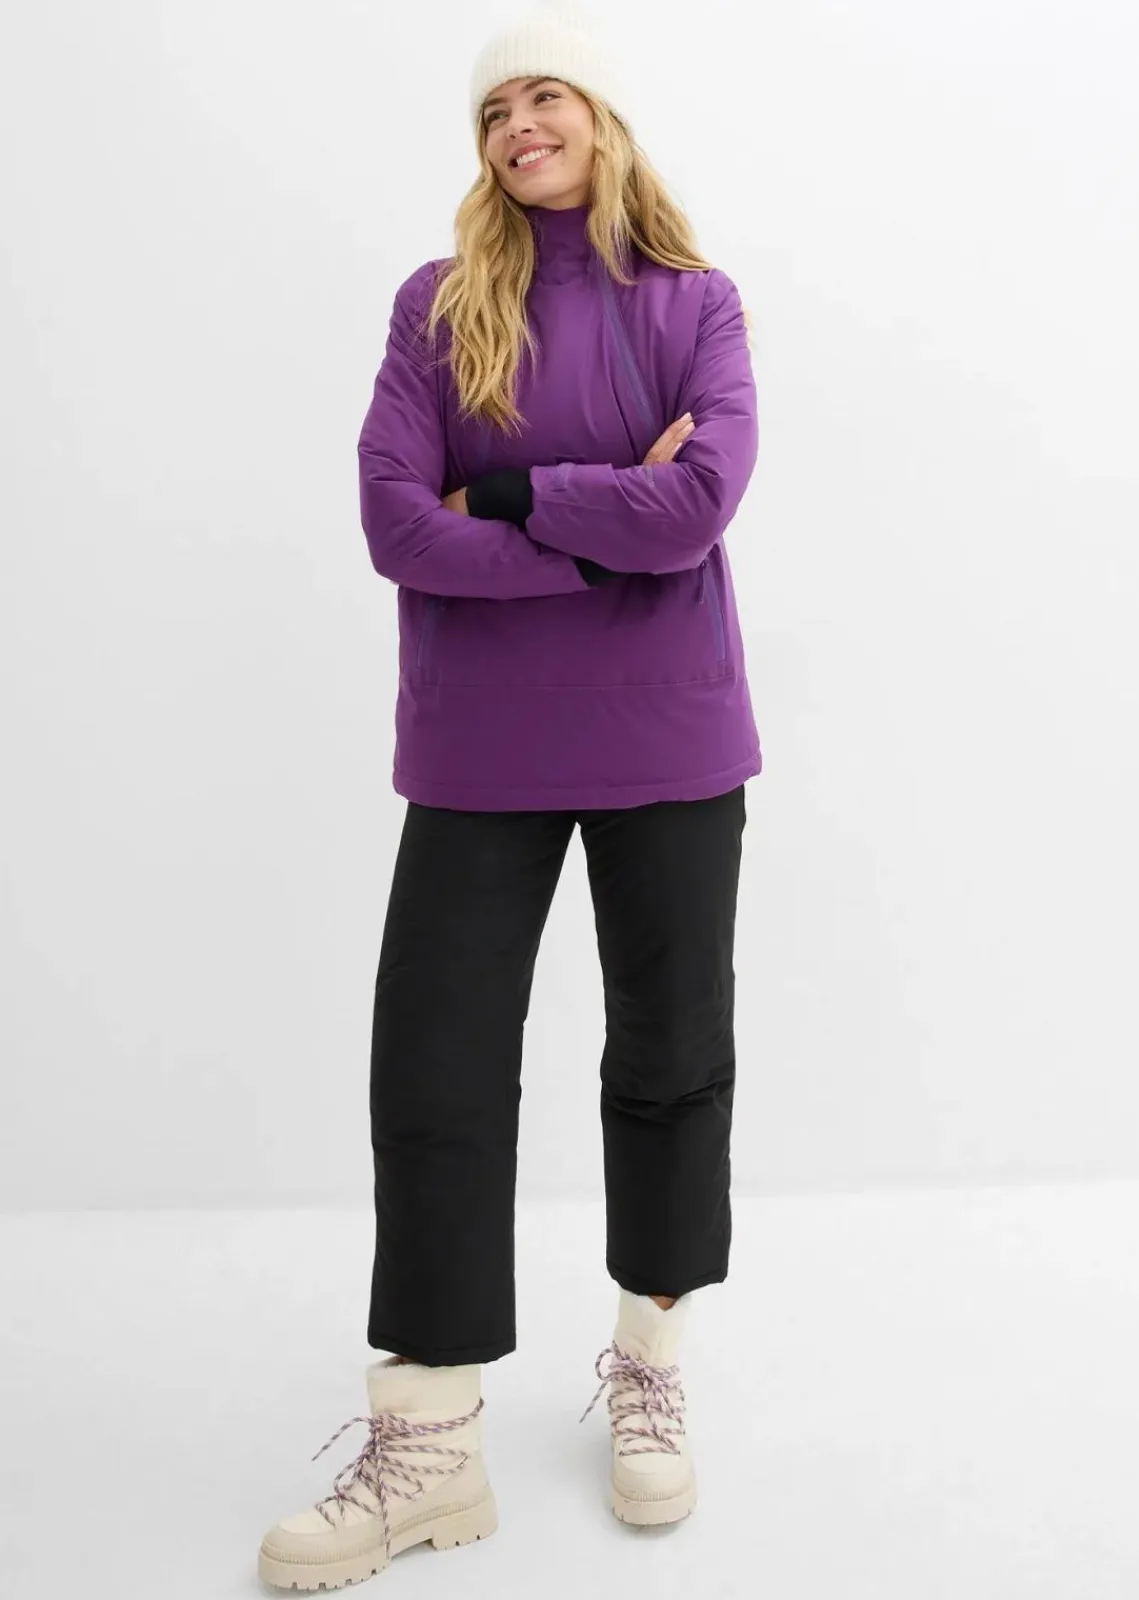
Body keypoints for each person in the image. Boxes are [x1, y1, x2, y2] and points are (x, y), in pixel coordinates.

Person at [258, 3, 761, 1588]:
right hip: (478, 744)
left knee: (669, 1059)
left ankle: (649, 1368)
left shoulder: (695, 301)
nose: (519, 126)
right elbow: (396, 525)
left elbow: (695, 507)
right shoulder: (436, 304)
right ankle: (428, 1445)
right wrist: (595, 530)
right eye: (494, 111)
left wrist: (509, 493)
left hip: (670, 734)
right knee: (435, 1070)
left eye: (548, 97)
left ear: (602, 120)